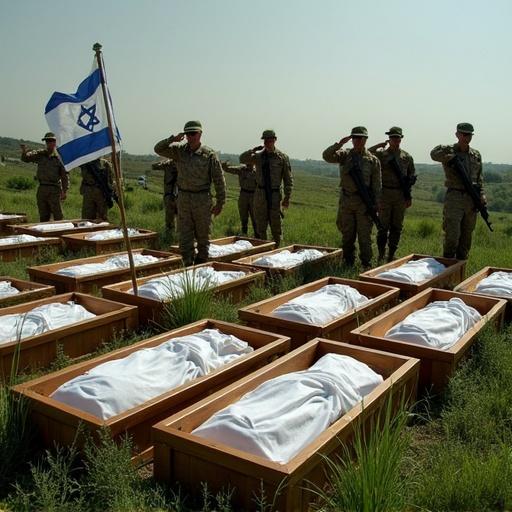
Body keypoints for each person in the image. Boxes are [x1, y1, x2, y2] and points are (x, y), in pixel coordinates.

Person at [154, 121, 225, 266]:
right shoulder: (179, 151)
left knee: (203, 237)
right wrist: (172, 139)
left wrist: (220, 203)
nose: (190, 137)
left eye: (193, 133)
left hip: (202, 200)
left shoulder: (209, 155)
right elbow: (158, 149)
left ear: (200, 134)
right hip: (184, 199)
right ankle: (187, 266)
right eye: (187, 134)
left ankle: (201, 266)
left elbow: (219, 180)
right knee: (185, 237)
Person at [322, 126, 381, 268]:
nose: (357, 140)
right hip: (347, 201)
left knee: (364, 236)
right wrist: (339, 144)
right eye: (355, 137)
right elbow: (327, 156)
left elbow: (377, 186)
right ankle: (348, 262)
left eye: (360, 138)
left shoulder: (372, 160)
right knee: (347, 235)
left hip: (364, 204)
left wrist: (376, 205)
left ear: (366, 139)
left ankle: (366, 264)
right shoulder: (345, 155)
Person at [430, 122, 485, 260]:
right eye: (464, 134)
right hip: (455, 196)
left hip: (471, 199)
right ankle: (447, 269)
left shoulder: (476, 155)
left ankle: (460, 272)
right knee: (452, 236)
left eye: (470, 135)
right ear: (457, 135)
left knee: (466, 238)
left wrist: (482, 195)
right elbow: (433, 154)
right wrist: (449, 154)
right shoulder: (449, 151)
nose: (467, 137)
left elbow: (479, 178)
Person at [369, 126, 416, 262]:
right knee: (383, 227)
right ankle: (381, 255)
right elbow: (367, 153)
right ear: (389, 139)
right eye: (393, 137)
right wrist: (379, 145)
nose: (395, 140)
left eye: (397, 137)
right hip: (385, 194)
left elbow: (410, 177)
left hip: (400, 195)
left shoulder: (407, 157)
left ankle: (391, 255)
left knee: (397, 227)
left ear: (401, 139)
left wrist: (408, 196)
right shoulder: (382, 155)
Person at [239, 130, 293, 245]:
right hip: (260, 194)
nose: (267, 142)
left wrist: (287, 197)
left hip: (275, 195)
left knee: (276, 226)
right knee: (260, 226)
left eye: (269, 140)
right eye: (265, 140)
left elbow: (288, 179)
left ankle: (276, 249)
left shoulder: (282, 158)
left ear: (275, 140)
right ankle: (262, 249)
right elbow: (242, 159)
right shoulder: (258, 157)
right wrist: (252, 150)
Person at [20, 132, 69, 222]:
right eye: (47, 141)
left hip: (54, 189)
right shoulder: (40, 154)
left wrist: (64, 191)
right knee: (43, 216)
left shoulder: (60, 157)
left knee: (58, 216)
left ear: (55, 142)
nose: (49, 143)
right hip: (42, 188)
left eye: (51, 140)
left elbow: (64, 176)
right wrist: (24, 151)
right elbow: (26, 159)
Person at [221, 161, 257, 236]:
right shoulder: (241, 169)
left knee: (255, 217)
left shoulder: (257, 171)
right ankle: (244, 233)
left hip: (254, 195)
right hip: (243, 194)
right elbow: (228, 169)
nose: (249, 163)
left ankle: (257, 234)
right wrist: (224, 166)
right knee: (243, 215)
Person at [152, 159, 178, 235]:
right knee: (170, 219)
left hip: (181, 196)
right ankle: (170, 236)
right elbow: (154, 166)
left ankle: (179, 237)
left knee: (182, 219)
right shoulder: (168, 164)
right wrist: (164, 162)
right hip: (169, 195)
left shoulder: (184, 163)